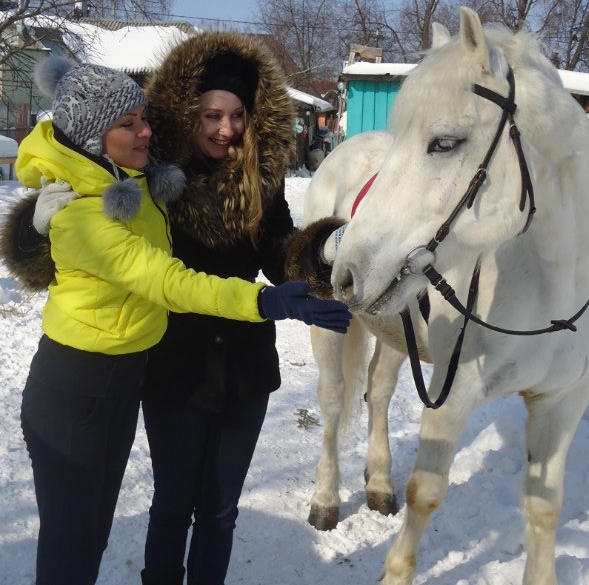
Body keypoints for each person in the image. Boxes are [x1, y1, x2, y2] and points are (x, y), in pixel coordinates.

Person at [4, 54, 350, 585]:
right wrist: (31, 227)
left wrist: (326, 251)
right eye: (211, 115)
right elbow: (135, 261)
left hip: (242, 365)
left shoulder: (258, 180)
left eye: (237, 116)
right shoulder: (147, 178)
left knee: (217, 510)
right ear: (188, 116)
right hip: (173, 364)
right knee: (167, 505)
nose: (225, 128)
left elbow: (283, 254)